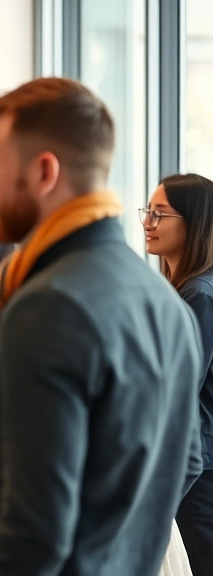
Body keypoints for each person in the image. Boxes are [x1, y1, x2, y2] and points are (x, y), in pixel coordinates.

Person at [0, 78, 203, 576]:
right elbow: (185, 459)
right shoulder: (165, 303)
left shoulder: (48, 306)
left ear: (44, 171)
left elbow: (33, 530)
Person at [142, 173, 213, 575]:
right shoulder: (187, 289)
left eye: (160, 214)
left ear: (195, 221)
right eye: (147, 211)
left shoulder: (198, 294)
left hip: (196, 478)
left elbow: (178, 397)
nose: (147, 222)